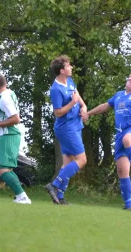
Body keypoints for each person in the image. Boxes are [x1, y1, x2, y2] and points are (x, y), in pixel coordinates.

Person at [86, 74, 131, 211]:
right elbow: (105, 106)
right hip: (119, 134)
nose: (130, 81)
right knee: (122, 171)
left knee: (127, 139)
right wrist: (88, 113)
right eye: (129, 80)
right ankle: (129, 205)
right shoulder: (118, 95)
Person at [45, 55, 88, 205]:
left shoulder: (69, 80)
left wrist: (83, 107)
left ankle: (60, 198)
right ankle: (54, 184)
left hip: (75, 125)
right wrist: (73, 103)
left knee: (68, 163)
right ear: (62, 70)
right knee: (82, 160)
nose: (71, 67)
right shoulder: (55, 89)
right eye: (68, 66)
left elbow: (77, 96)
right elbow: (57, 112)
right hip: (66, 128)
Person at [0, 74, 31, 204]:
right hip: (10, 135)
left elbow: (16, 118)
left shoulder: (4, 99)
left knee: (2, 170)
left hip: (8, 134)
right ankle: (20, 195)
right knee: (8, 169)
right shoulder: (8, 94)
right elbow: (7, 110)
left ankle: (22, 196)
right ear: (6, 83)